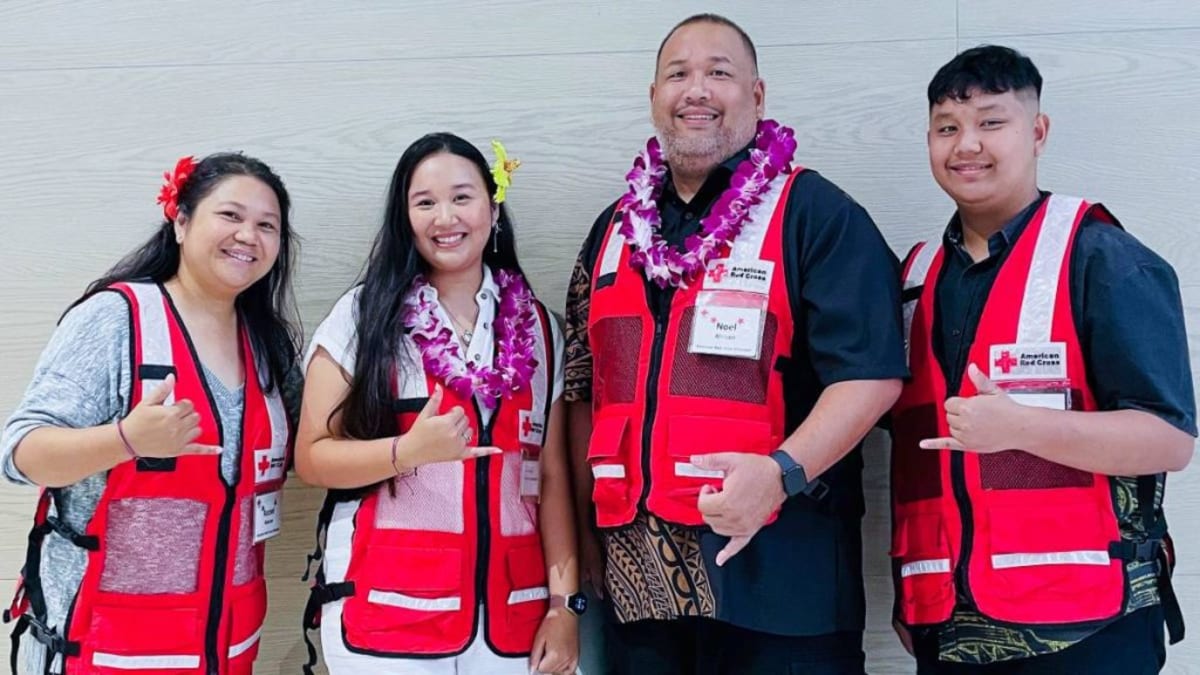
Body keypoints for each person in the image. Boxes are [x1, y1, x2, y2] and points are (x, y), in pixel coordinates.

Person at [563, 13, 907, 674]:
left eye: (719, 72)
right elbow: (584, 394)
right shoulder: (612, 230)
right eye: (678, 74)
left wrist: (781, 473)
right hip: (641, 588)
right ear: (654, 96)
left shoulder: (817, 213)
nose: (697, 89)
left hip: (782, 582)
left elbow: (871, 375)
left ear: (757, 95)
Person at [890, 45, 1195, 674]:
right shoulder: (914, 276)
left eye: (991, 122)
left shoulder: (1103, 258)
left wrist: (1023, 429)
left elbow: (1169, 440)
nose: (966, 144)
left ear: (1038, 131)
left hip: (1089, 629)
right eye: (948, 127)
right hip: (947, 622)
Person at [0, 152, 302, 674]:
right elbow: (22, 454)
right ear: (181, 221)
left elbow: (313, 445)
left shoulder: (268, 347)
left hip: (221, 647)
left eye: (267, 225)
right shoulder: (116, 319)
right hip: (100, 645)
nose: (249, 236)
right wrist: (126, 439)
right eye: (230, 216)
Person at [297, 133, 580, 675]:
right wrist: (407, 451)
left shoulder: (538, 327)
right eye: (424, 202)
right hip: (387, 616)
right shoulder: (364, 316)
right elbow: (310, 457)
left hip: (512, 615)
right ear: (404, 218)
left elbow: (550, 473)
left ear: (492, 208)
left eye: (462, 197)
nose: (444, 217)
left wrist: (565, 605)